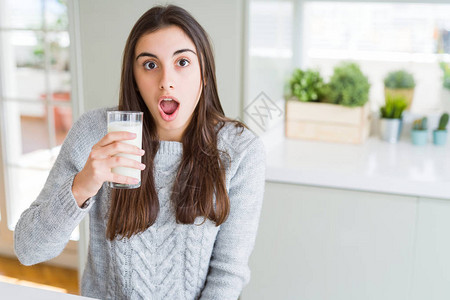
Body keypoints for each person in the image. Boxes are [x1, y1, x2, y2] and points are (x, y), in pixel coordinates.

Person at [14, 4, 265, 300]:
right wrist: (82, 185)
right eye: (149, 64)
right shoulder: (96, 132)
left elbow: (227, 273)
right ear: (133, 76)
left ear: (205, 74)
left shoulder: (240, 150)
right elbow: (28, 250)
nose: (165, 81)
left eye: (182, 62)